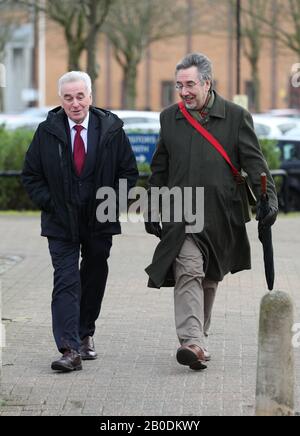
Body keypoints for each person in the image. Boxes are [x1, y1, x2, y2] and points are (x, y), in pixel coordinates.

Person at [145, 53, 278, 371]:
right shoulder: (169, 118)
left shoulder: (235, 116)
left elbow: (255, 164)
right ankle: (191, 341)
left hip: (222, 216)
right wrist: (152, 206)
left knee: (209, 278)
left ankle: (198, 342)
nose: (184, 91)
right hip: (182, 215)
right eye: (179, 85)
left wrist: (268, 200)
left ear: (207, 83)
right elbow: (159, 169)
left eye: (189, 84)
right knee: (188, 269)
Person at [22, 71, 138, 372]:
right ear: (61, 100)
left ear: (90, 96)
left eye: (80, 96)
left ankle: (85, 332)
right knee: (66, 280)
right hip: (61, 223)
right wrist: (54, 204)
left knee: (94, 275)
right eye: (68, 98)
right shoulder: (46, 132)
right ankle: (69, 348)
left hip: (100, 221)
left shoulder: (111, 129)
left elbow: (128, 173)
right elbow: (31, 176)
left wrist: (111, 204)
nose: (75, 103)